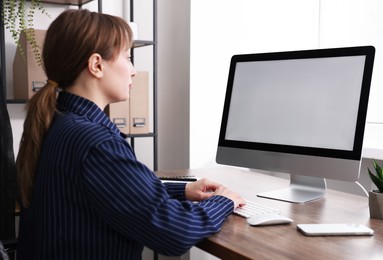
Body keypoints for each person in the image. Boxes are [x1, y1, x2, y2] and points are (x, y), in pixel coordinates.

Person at [16, 9, 245, 259]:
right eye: (127, 57)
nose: (133, 70)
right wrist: (224, 201)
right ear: (96, 65)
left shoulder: (59, 121)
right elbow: (175, 233)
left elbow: (109, 189)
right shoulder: (96, 143)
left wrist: (183, 190)